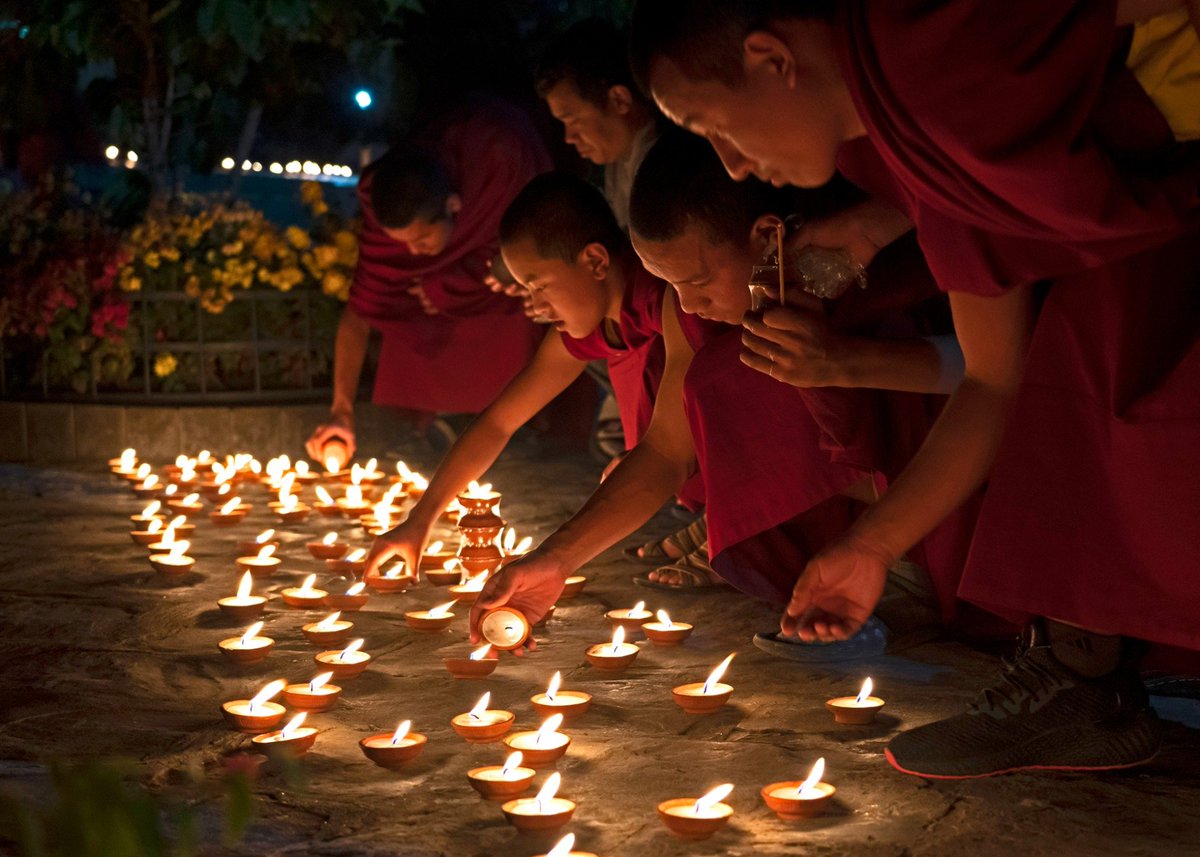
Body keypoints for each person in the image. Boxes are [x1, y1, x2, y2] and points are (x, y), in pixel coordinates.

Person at [629, 0, 1200, 777]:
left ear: (773, 60)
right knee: (1079, 362)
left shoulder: (925, 31)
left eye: (712, 124)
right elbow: (996, 381)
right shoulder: (909, 143)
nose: (729, 163)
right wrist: (869, 547)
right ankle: (1080, 681)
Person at [629, 129, 979, 659]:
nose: (690, 305)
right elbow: (665, 448)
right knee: (740, 365)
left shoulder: (880, 259)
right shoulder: (762, 285)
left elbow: (1001, 370)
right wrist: (557, 557)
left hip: (972, 445)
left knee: (735, 374)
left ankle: (912, 567)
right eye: (671, 286)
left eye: (698, 281)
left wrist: (841, 362)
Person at [363, 172, 696, 588]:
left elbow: (669, 451)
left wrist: (554, 559)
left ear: (595, 262)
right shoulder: (588, 327)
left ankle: (721, 526)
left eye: (539, 286)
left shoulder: (671, 294)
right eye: (525, 291)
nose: (535, 307)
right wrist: (419, 520)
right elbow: (498, 422)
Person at [305, 96, 551, 467]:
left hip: (494, 279)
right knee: (405, 301)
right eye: (404, 245)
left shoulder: (496, 158)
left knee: (509, 288)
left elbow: (534, 230)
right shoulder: (389, 199)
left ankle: (512, 427)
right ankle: (432, 422)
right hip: (448, 282)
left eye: (421, 241)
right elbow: (362, 308)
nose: (414, 254)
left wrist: (454, 287)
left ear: (454, 206)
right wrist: (341, 410)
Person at [535, 18, 661, 228]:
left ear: (619, 99)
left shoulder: (662, 172)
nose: (568, 137)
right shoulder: (620, 160)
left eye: (572, 119)